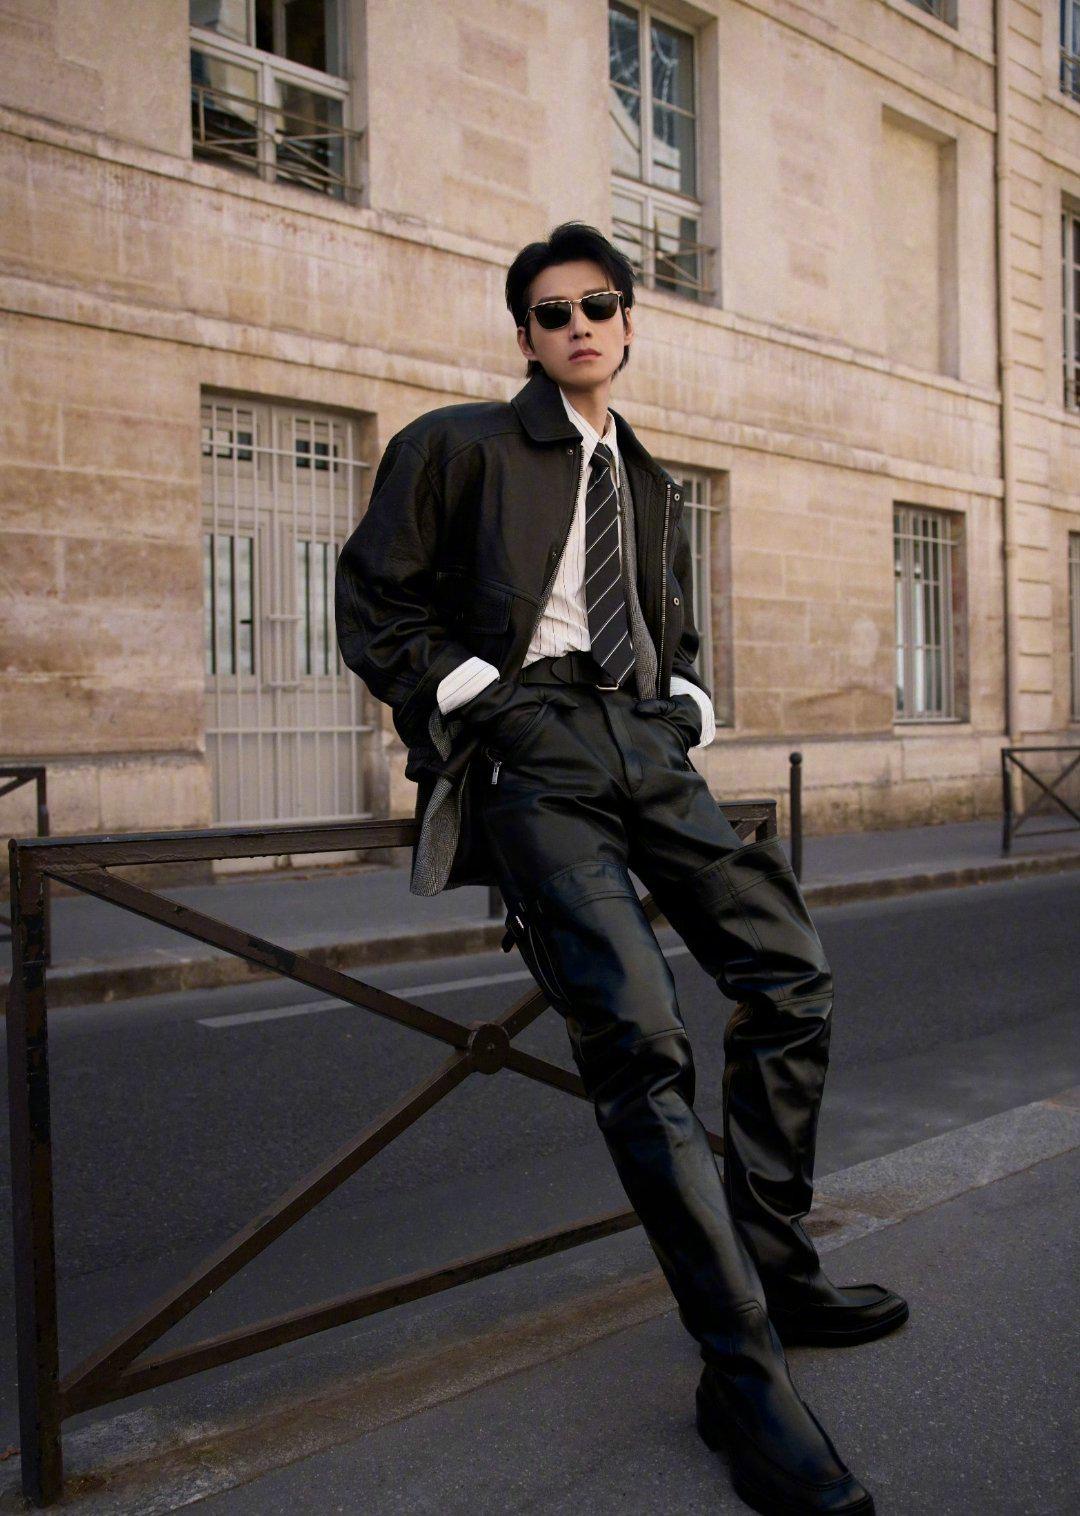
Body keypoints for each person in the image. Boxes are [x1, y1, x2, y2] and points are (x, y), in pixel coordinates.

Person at [335, 221, 907, 1515]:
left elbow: (671, 620)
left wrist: (686, 702)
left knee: (792, 975)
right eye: (552, 312)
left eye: (598, 304)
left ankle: (780, 1271)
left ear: (631, 322)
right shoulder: (456, 445)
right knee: (642, 1041)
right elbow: (375, 599)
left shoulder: (647, 479)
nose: (578, 325)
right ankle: (743, 1377)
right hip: (531, 750)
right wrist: (478, 698)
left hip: (643, 744)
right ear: (525, 336)